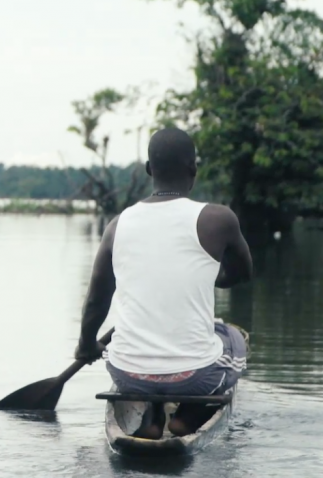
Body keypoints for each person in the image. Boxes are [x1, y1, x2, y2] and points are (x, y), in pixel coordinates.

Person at [74, 128, 252, 439]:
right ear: (193, 169)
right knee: (233, 337)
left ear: (148, 170)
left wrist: (86, 345)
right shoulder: (218, 219)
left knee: (136, 353)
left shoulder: (117, 226)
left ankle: (153, 415)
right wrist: (214, 277)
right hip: (194, 377)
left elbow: (96, 302)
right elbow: (241, 273)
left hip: (128, 375)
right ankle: (188, 415)